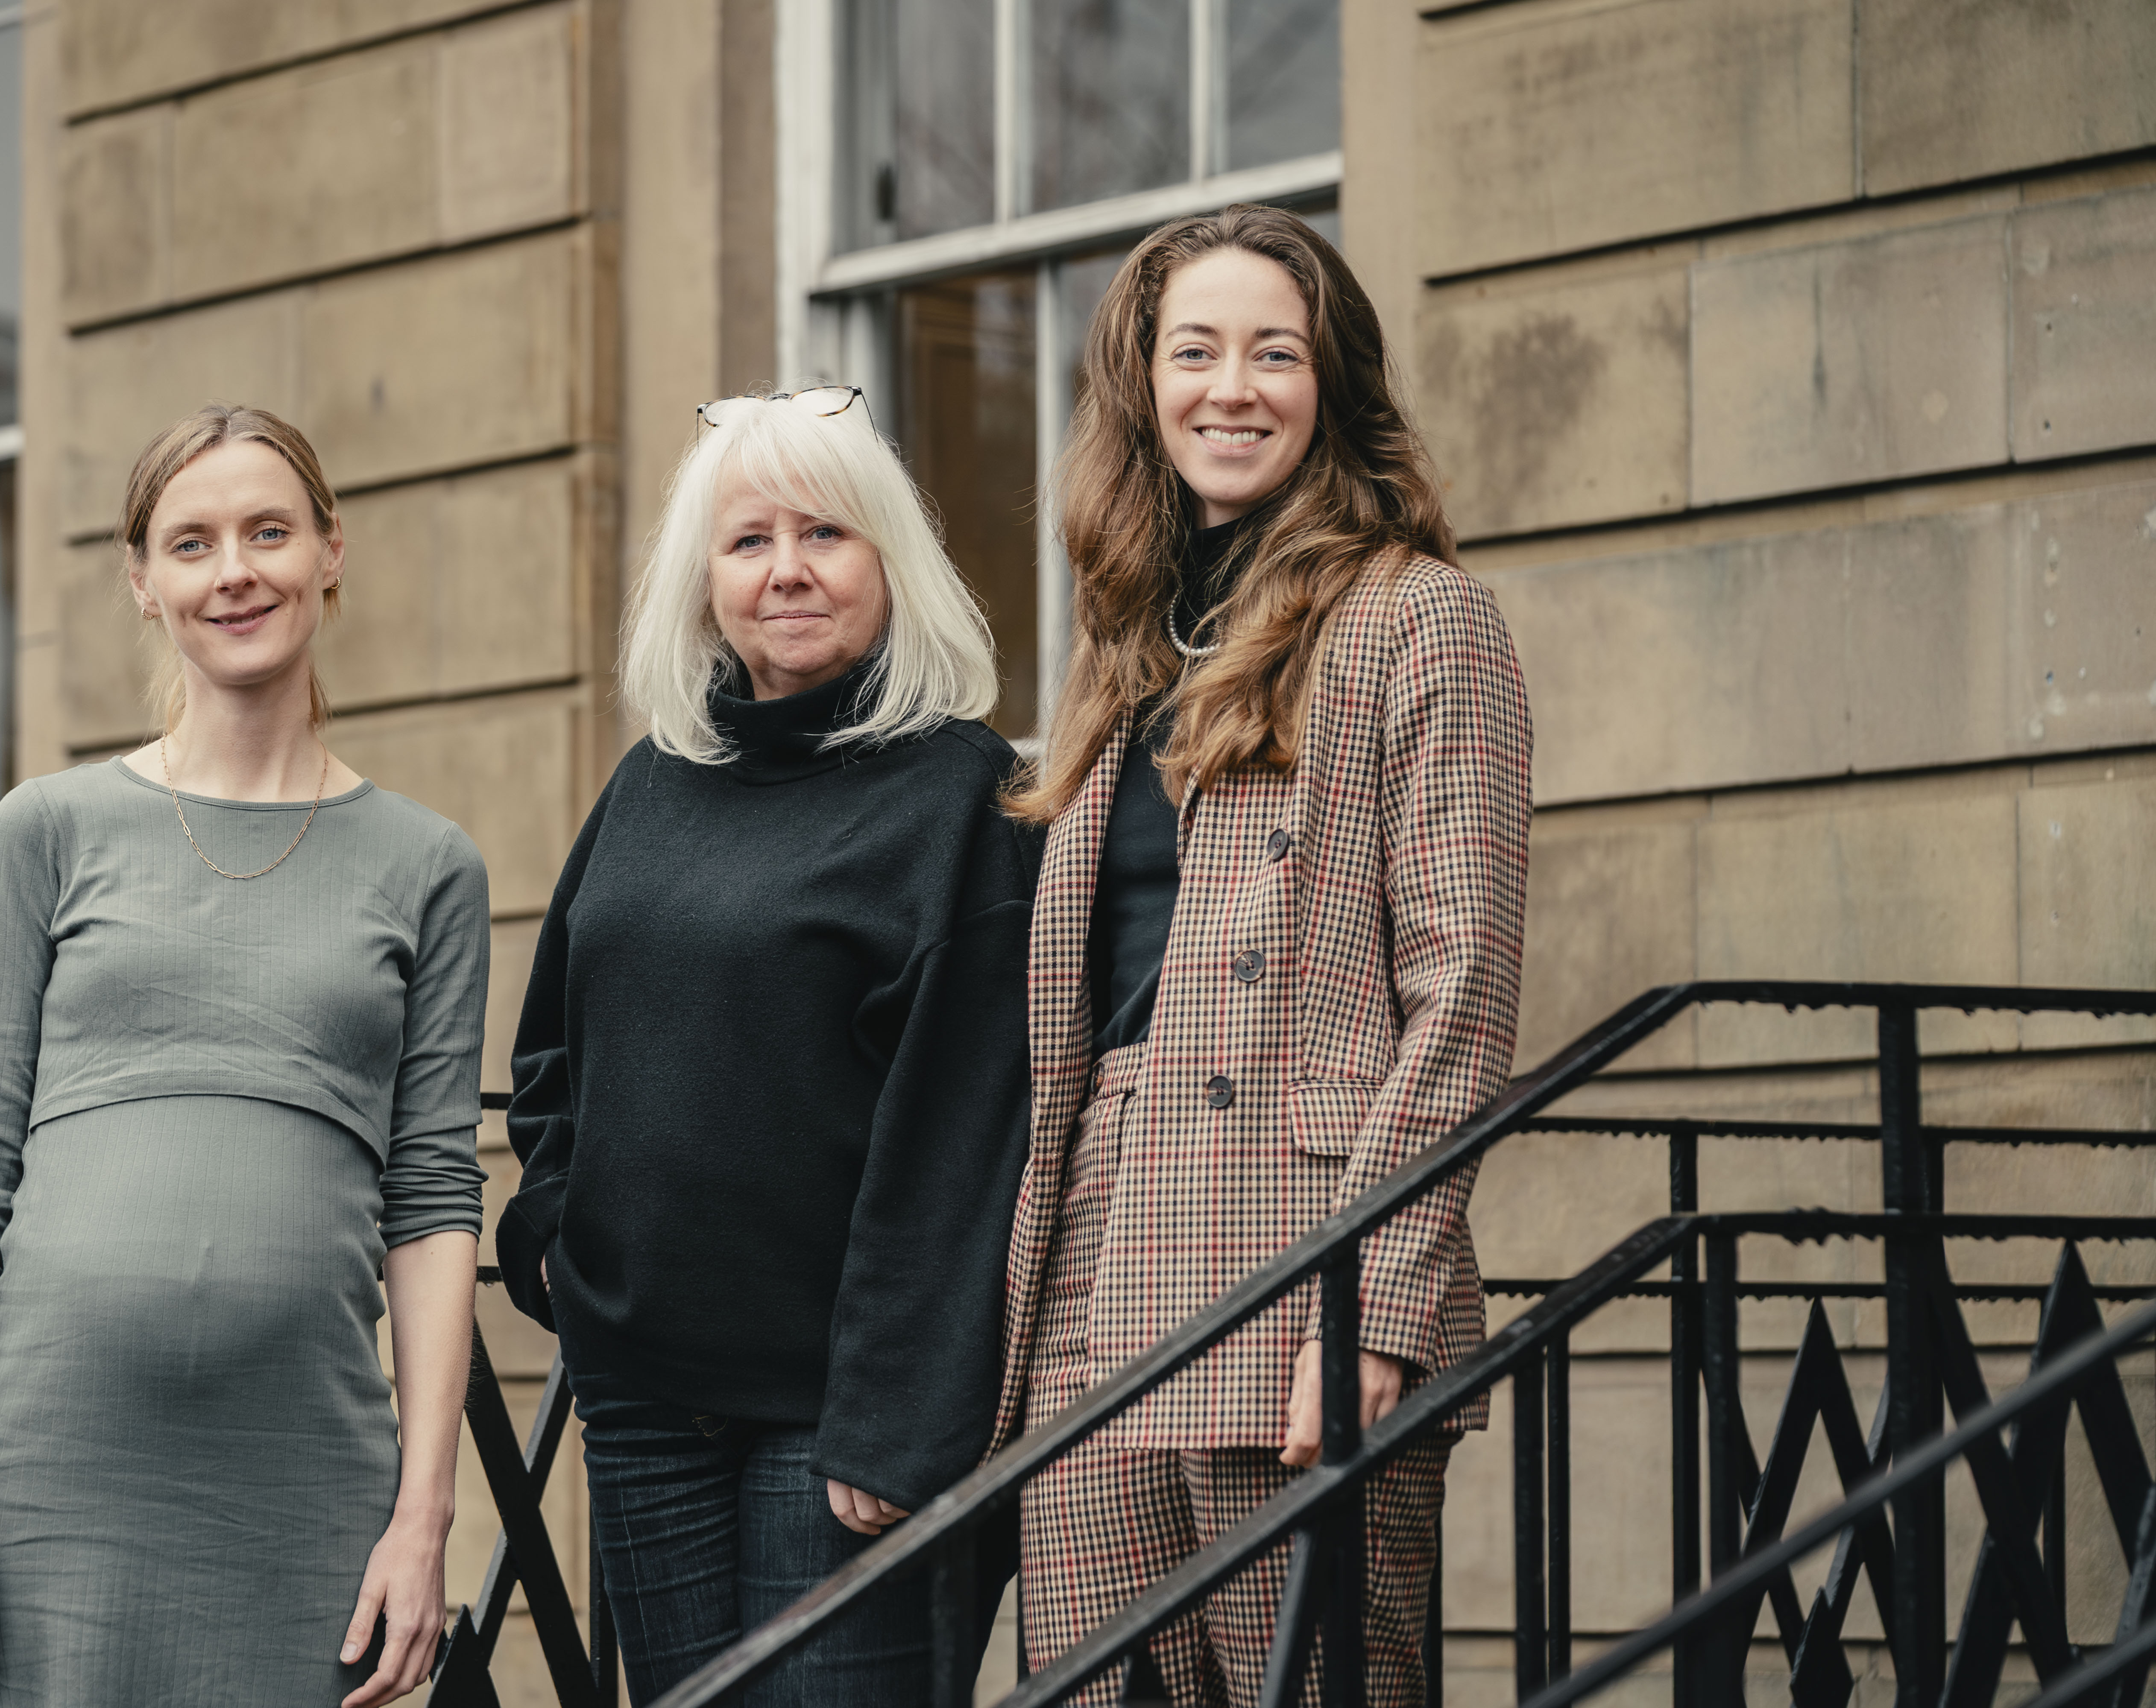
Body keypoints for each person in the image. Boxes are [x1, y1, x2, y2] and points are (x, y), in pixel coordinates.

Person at [998, 206, 1532, 1705]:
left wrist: (1372, 1309)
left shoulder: (1423, 621)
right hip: (1099, 1261)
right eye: (1195, 351)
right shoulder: (1123, 657)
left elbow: (1462, 996)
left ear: (1331, 385)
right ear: (1142, 386)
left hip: (1299, 1252)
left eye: (1274, 353)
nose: (1232, 387)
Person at [0, 403, 491, 1708]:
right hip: (54, 1481)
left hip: (308, 1479)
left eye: (270, 532)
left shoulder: (429, 867)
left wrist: (424, 1515)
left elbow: (436, 1198)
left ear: (332, 553)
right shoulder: (46, 831)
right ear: (144, 584)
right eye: (194, 543)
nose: (236, 572)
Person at [495, 386, 1037, 1705]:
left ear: (890, 566)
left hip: (838, 1421)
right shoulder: (651, 784)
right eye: (748, 542)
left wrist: (900, 1418)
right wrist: (552, 1237)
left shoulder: (963, 794)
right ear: (705, 583)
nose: (786, 570)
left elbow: (969, 1137)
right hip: (641, 1400)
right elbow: (556, 1044)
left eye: (826, 536)